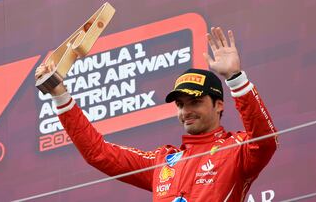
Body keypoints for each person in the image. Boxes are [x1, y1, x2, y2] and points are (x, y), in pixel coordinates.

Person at [35, 27, 277, 202]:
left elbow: (266, 140)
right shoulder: (162, 161)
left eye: (195, 102)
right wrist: (59, 94)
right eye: (180, 105)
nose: (186, 111)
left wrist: (236, 79)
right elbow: (99, 154)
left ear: (219, 105)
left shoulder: (237, 149)